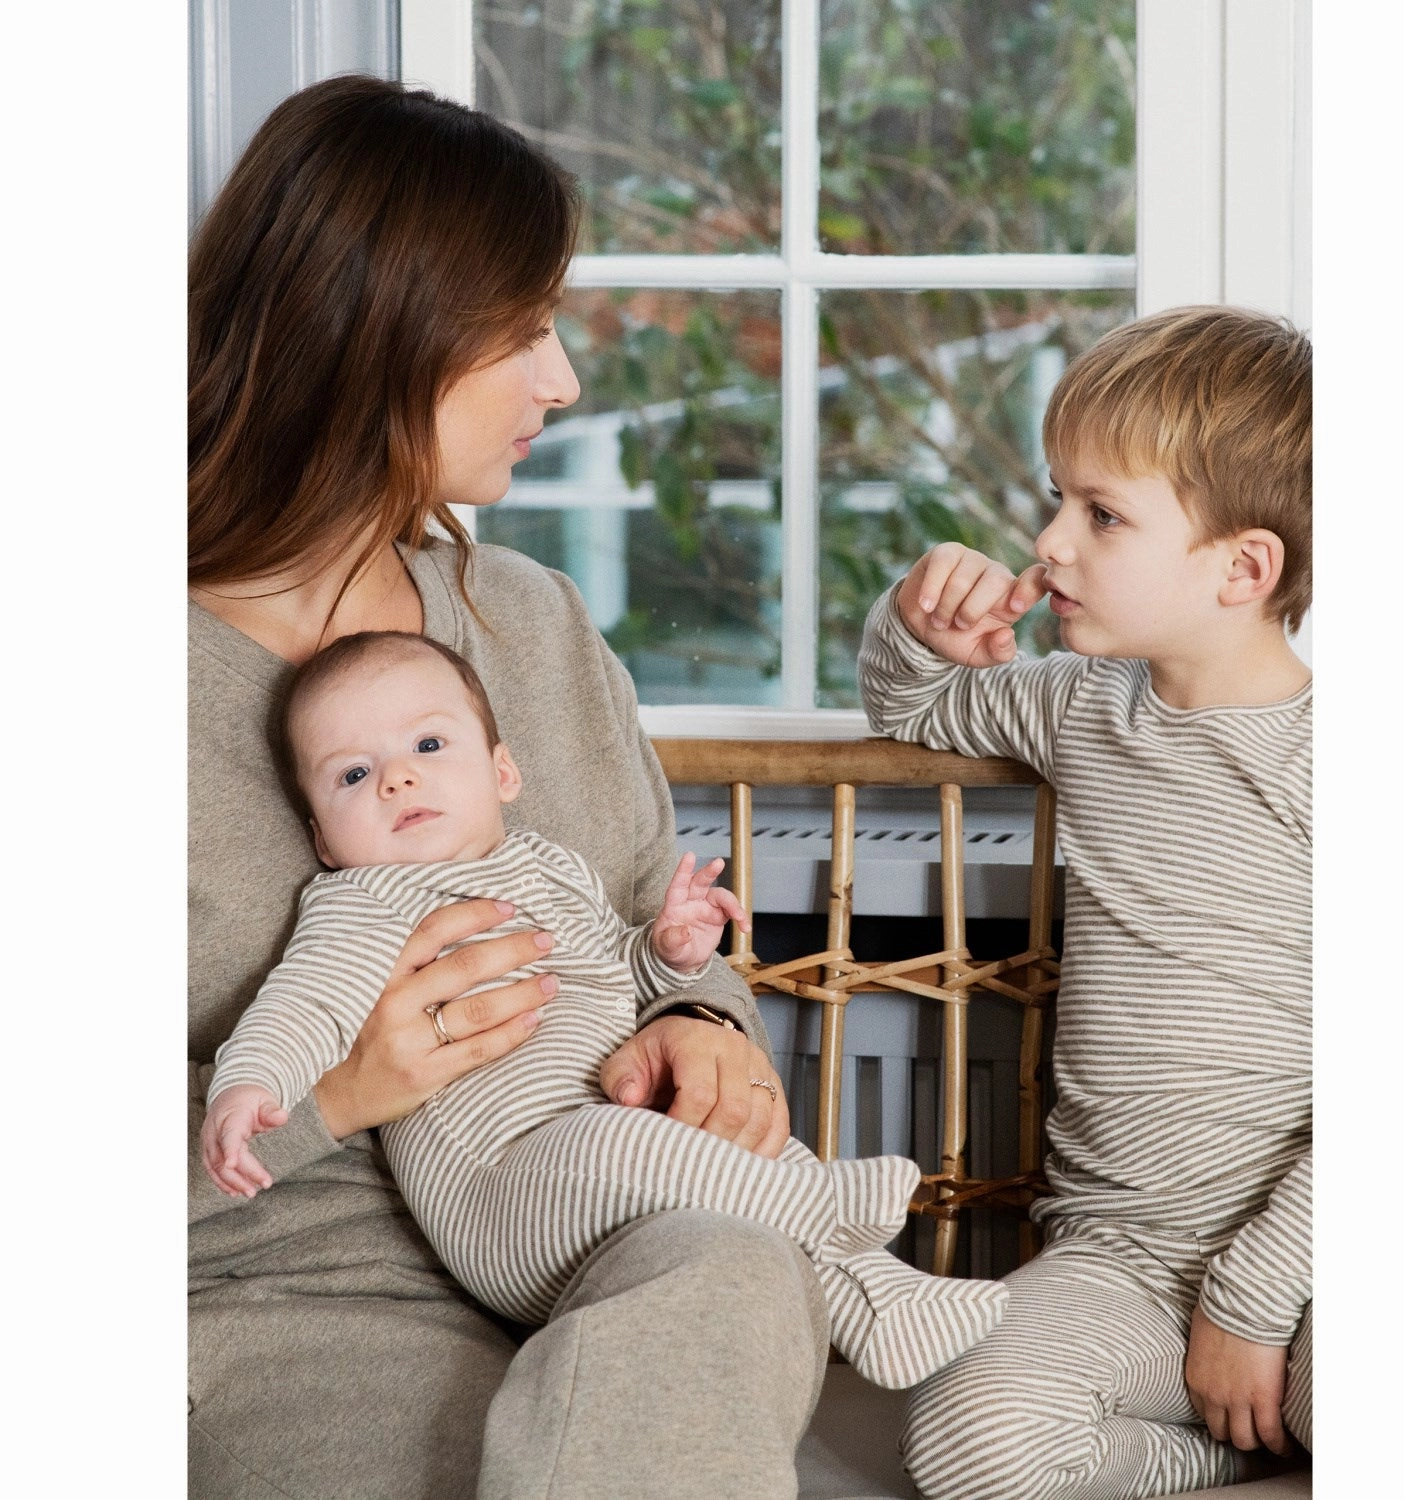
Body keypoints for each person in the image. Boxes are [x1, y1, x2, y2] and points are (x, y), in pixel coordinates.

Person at [190, 74, 828, 1500]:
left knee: (732, 1271)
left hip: (605, 1229)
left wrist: (705, 1031)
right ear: (379, 329)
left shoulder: (528, 623)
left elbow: (655, 926)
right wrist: (336, 1089)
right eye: (528, 331)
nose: (566, 382)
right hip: (296, 1297)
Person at [201, 629, 1007, 1389]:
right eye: (352, 775)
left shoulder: (552, 868)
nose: (396, 778)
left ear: (503, 773)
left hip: (613, 1158)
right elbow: (299, 1004)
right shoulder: (361, 901)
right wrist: (247, 1090)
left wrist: (667, 952)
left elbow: (611, 968)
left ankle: (884, 1305)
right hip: (502, 1192)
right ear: (323, 840)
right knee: (621, 1138)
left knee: (745, 1147)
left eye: (429, 746)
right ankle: (829, 1208)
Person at [858, 305, 1313, 1498]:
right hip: (1116, 1258)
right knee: (971, 1449)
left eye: (1101, 514)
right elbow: (912, 708)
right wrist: (920, 628)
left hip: (1310, 1257)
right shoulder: (1077, 708)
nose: (1050, 542)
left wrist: (1257, 1299)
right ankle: (1229, 1450)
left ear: (1242, 569)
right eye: (1059, 500)